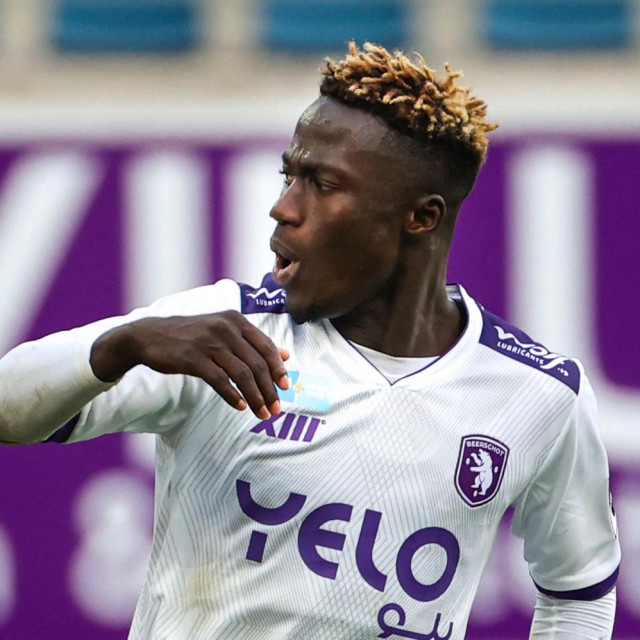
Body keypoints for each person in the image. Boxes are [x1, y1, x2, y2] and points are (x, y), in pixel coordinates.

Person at [0, 42, 620, 640]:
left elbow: (579, 592)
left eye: (321, 185)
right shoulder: (225, 330)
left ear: (421, 217)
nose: (282, 207)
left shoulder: (540, 393)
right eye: (288, 175)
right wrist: (123, 345)